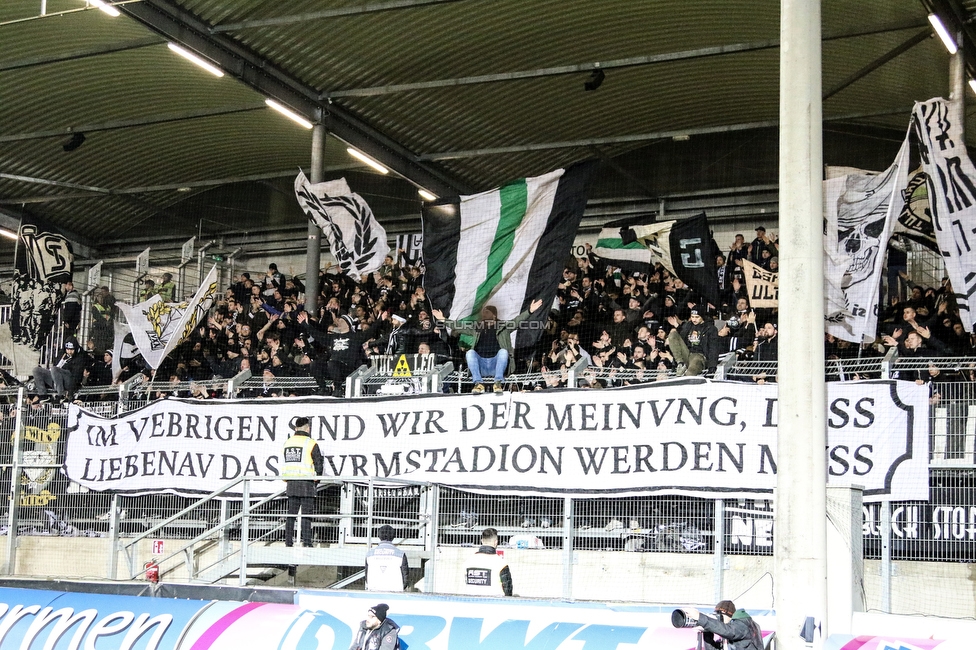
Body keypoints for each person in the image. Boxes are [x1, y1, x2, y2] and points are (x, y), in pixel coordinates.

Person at [434, 299, 543, 394]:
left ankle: (498, 383)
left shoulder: (504, 326)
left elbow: (517, 320)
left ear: (494, 315)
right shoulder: (477, 328)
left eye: (486, 312)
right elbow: (459, 326)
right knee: (470, 353)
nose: (483, 314)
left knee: (503, 352)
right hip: (481, 366)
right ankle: (478, 383)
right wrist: (443, 319)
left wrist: (530, 311)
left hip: (496, 366)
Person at [282, 416, 324, 547]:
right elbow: (319, 465)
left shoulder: (288, 442)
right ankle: (307, 542)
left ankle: (288, 542)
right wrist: (316, 481)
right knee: (306, 515)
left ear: (296, 428)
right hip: (307, 483)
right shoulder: (311, 443)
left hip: (292, 482)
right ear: (308, 428)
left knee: (291, 514)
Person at [691, 600, 764, 650]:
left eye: (719, 615)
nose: (718, 619)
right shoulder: (732, 628)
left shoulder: (744, 624)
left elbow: (728, 631)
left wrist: (700, 618)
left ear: (728, 614)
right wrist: (707, 631)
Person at [32, 340, 88, 404]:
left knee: (54, 369)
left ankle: (61, 395)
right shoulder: (62, 354)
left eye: (72, 349)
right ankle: (43, 396)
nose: (69, 352)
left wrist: (70, 393)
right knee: (36, 370)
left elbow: (76, 378)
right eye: (68, 349)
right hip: (56, 380)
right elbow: (54, 367)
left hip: (69, 382)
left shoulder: (80, 358)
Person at [666, 310, 720, 376]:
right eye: (692, 317)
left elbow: (713, 348)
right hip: (687, 353)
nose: (694, 319)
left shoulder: (710, 328)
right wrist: (676, 326)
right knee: (673, 334)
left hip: (699, 356)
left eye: (697, 317)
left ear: (702, 317)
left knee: (690, 373)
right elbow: (681, 336)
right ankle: (681, 364)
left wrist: (712, 366)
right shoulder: (689, 325)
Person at [462, 527, 513, 597]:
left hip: (470, 602)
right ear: (496, 542)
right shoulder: (501, 563)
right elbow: (508, 589)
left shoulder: (468, 561)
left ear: (482, 541)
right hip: (494, 603)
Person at [365, 524, 409, 592]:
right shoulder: (401, 554)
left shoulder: (369, 554)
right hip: (396, 592)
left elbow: (366, 577)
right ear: (393, 536)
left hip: (373, 591)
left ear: (379, 536)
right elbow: (405, 578)